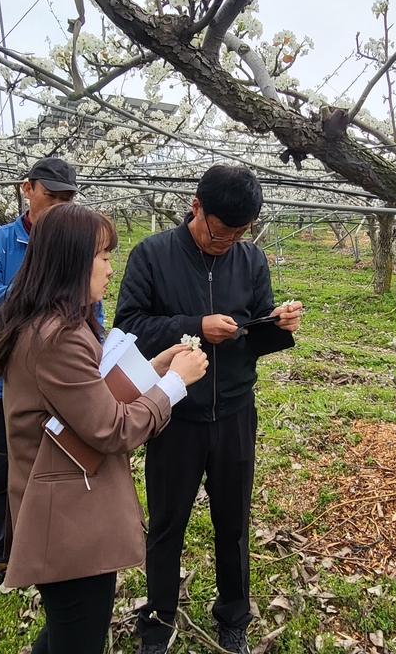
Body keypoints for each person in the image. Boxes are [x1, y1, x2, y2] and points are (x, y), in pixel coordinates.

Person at [0, 203, 209, 654]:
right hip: (69, 522)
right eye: (104, 257)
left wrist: (152, 368)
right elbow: (111, 428)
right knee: (78, 638)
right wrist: (173, 386)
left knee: (64, 631)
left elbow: (85, 398)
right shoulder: (60, 336)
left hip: (61, 513)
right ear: (73, 261)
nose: (111, 269)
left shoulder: (46, 322)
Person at [114, 165, 303, 654]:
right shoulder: (152, 256)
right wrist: (195, 325)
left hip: (235, 410)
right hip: (174, 413)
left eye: (241, 233)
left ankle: (233, 616)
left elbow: (253, 339)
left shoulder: (250, 259)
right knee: (167, 522)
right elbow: (129, 328)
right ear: (196, 206)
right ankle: (158, 620)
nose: (229, 241)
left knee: (234, 522)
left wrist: (278, 325)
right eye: (221, 231)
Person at [0, 157, 100, 594]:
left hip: (65, 375)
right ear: (28, 188)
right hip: (7, 380)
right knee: (7, 470)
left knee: (65, 465)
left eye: (67, 199)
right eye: (52, 196)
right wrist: (39, 290)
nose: (59, 205)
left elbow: (93, 310)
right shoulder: (0, 242)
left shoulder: (77, 244)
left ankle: (56, 548)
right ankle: (3, 553)